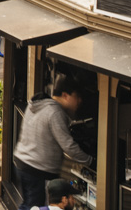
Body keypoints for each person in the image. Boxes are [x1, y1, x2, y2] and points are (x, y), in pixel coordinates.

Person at [13, 75, 92, 210]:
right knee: (35, 206)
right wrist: (90, 161)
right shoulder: (55, 113)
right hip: (38, 170)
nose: (80, 101)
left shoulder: (38, 104)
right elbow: (68, 146)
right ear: (65, 95)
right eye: (77, 96)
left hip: (22, 163)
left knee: (28, 206)